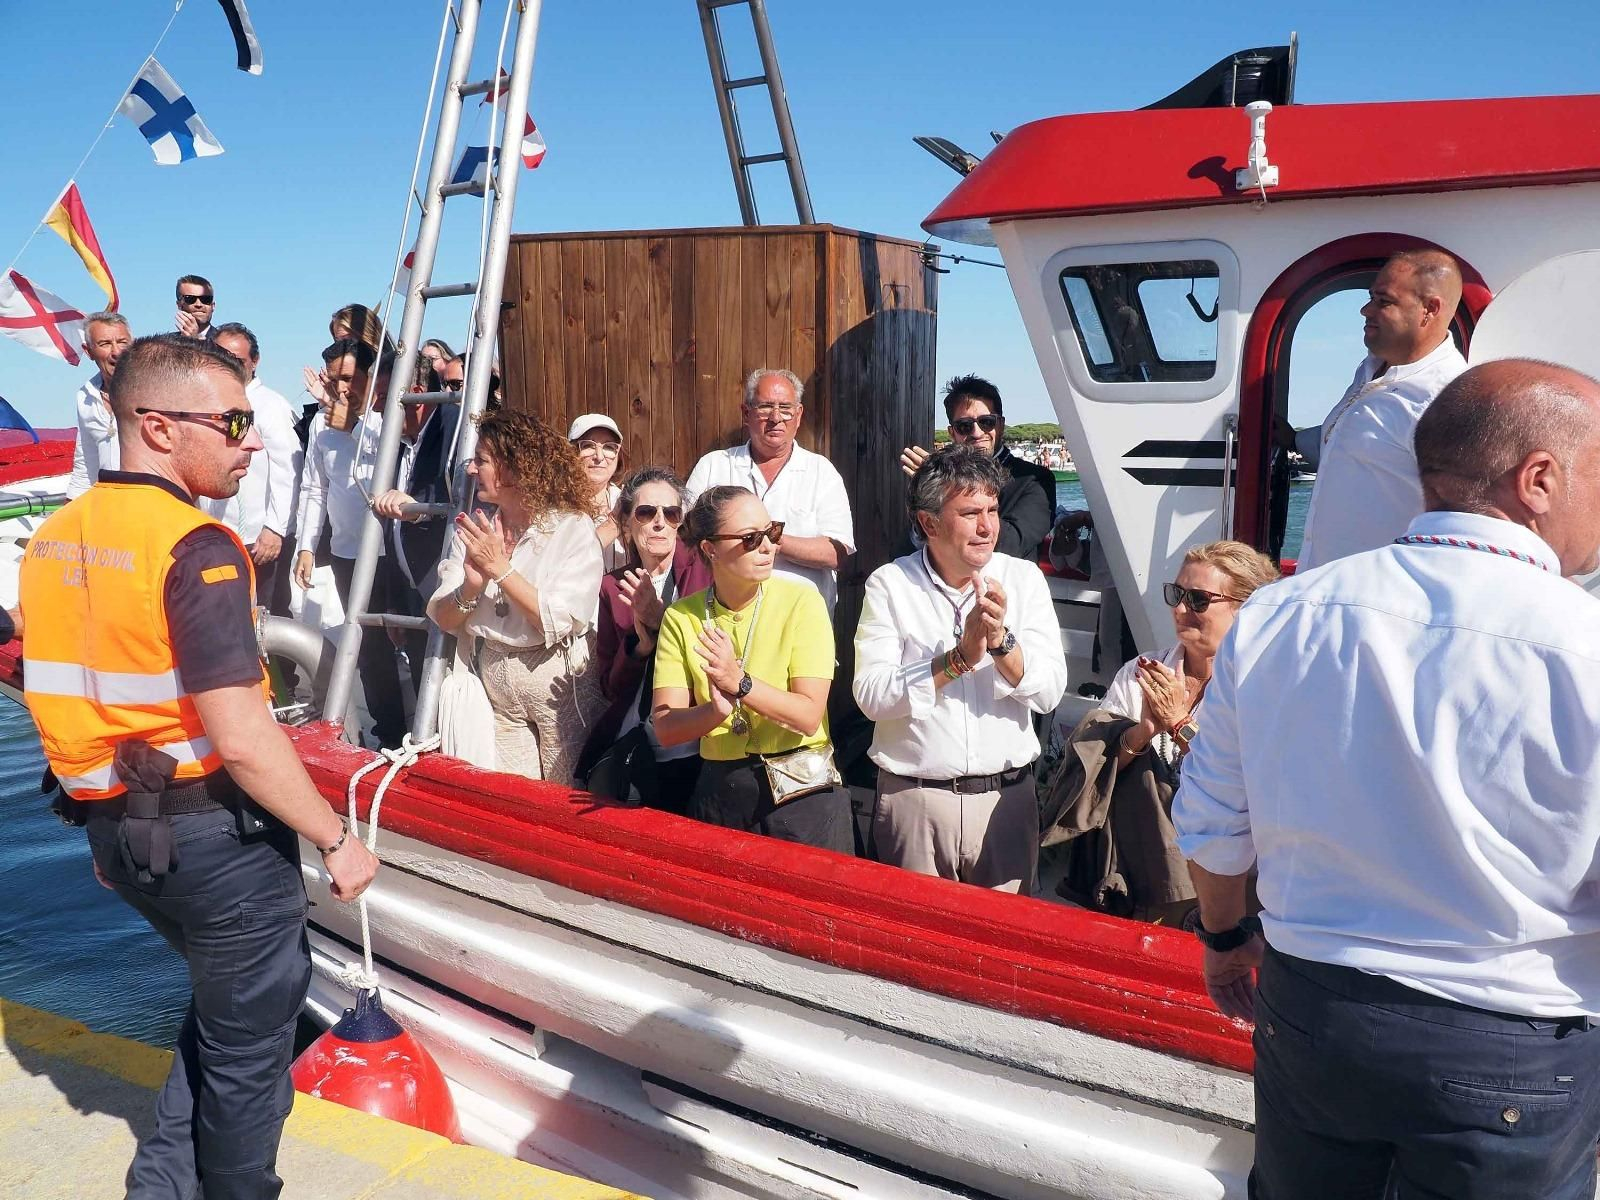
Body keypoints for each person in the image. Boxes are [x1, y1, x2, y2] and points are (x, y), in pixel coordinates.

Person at [1173, 359, 1600, 1199]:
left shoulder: (1279, 615)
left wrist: (1225, 944)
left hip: (1314, 1013)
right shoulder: (1585, 644)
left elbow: (1215, 824)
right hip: (1512, 1040)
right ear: (1539, 478)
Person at [19, 333, 378, 1199]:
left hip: (117, 837)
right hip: (215, 845)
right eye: (232, 420)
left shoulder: (52, 540)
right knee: (252, 1065)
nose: (251, 440)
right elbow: (245, 738)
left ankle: (161, 1188)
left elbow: (64, 690)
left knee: (227, 1019)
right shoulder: (200, 548)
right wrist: (336, 840)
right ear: (157, 426)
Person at [854, 445, 1067, 892]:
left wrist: (1000, 644)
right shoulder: (891, 584)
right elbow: (871, 696)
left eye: (992, 509)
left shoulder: (1024, 580)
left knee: (1006, 950)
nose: (988, 526)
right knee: (913, 950)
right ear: (928, 522)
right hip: (915, 803)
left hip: (1006, 805)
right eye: (970, 512)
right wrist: (957, 661)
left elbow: (1049, 693)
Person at [1041, 541, 1277, 922]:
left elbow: (1257, 785)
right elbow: (1093, 771)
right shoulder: (1141, 672)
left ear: (1244, 608)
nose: (1181, 609)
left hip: (1237, 880)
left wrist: (1180, 725)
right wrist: (1141, 733)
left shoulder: (1266, 686)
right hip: (1149, 874)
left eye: (1199, 599)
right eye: (1177, 594)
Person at [653, 485, 855, 853]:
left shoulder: (801, 600)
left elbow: (809, 715)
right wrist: (714, 711)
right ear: (709, 549)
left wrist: (741, 683)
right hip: (723, 792)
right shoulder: (682, 617)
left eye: (772, 532)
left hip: (803, 793)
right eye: (750, 538)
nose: (768, 546)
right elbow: (665, 727)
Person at [427, 411, 605, 782]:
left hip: (559, 688)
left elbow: (555, 620)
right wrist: (471, 586)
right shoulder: (477, 528)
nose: (472, 469)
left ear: (515, 467)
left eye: (482, 460)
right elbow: (444, 619)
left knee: (566, 794)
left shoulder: (572, 528)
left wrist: (500, 570)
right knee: (512, 799)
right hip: (498, 688)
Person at [1292, 249, 1466, 569]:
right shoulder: (1370, 370)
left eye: (1383, 302)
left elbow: (1461, 529)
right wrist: (1291, 440)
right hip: (1327, 589)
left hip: (1381, 607)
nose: (1365, 310)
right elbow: (1355, 448)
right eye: (1371, 298)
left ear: (1430, 309)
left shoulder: (1446, 403)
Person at [293, 338, 404, 746]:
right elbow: (313, 489)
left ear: (370, 376)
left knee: (408, 640)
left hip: (392, 553)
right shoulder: (322, 424)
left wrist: (353, 421)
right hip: (346, 552)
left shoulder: (389, 417)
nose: (342, 388)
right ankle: (389, 733)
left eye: (349, 378)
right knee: (368, 649)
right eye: (334, 379)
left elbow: (390, 465)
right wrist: (306, 546)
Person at [581, 467, 712, 812]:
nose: (659, 522)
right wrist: (640, 646)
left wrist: (663, 621)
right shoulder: (613, 585)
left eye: (670, 513)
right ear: (627, 522)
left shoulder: (705, 569)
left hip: (701, 739)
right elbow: (610, 686)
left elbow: (719, 644)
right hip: (641, 744)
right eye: (646, 512)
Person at [685, 368, 855, 615]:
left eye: (786, 408)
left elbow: (837, 553)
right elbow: (687, 536)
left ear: (798, 416)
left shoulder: (820, 471)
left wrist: (768, 537)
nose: (776, 417)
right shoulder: (714, 465)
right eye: (765, 407)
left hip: (799, 620)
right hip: (721, 616)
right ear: (746, 413)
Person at [900, 375, 1056, 559]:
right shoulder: (933, 478)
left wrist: (946, 484)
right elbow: (914, 542)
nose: (976, 432)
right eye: (964, 426)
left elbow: (1012, 545)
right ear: (952, 432)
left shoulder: (1035, 479)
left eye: (986, 422)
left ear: (1001, 425)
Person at [203, 323, 301, 607]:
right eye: (220, 356)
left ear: (254, 362)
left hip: (259, 540)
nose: (228, 365)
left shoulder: (271, 405)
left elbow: (289, 469)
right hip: (220, 535)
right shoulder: (208, 403)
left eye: (237, 360)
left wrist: (275, 528)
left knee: (268, 625)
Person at [67, 311, 133, 498]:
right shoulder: (85, 396)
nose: (116, 352)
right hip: (111, 507)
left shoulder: (156, 391)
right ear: (88, 351)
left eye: (122, 342)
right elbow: (86, 463)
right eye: (105, 344)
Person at [569, 413, 628, 572]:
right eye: (588, 446)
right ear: (570, 453)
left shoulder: (627, 500)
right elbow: (566, 563)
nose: (599, 457)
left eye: (609, 447)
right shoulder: (557, 505)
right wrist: (613, 525)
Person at [172, 274, 216, 340]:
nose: (199, 304)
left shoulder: (226, 342)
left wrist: (195, 340)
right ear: (179, 305)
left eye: (206, 299)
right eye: (190, 299)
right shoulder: (163, 345)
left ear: (213, 306)